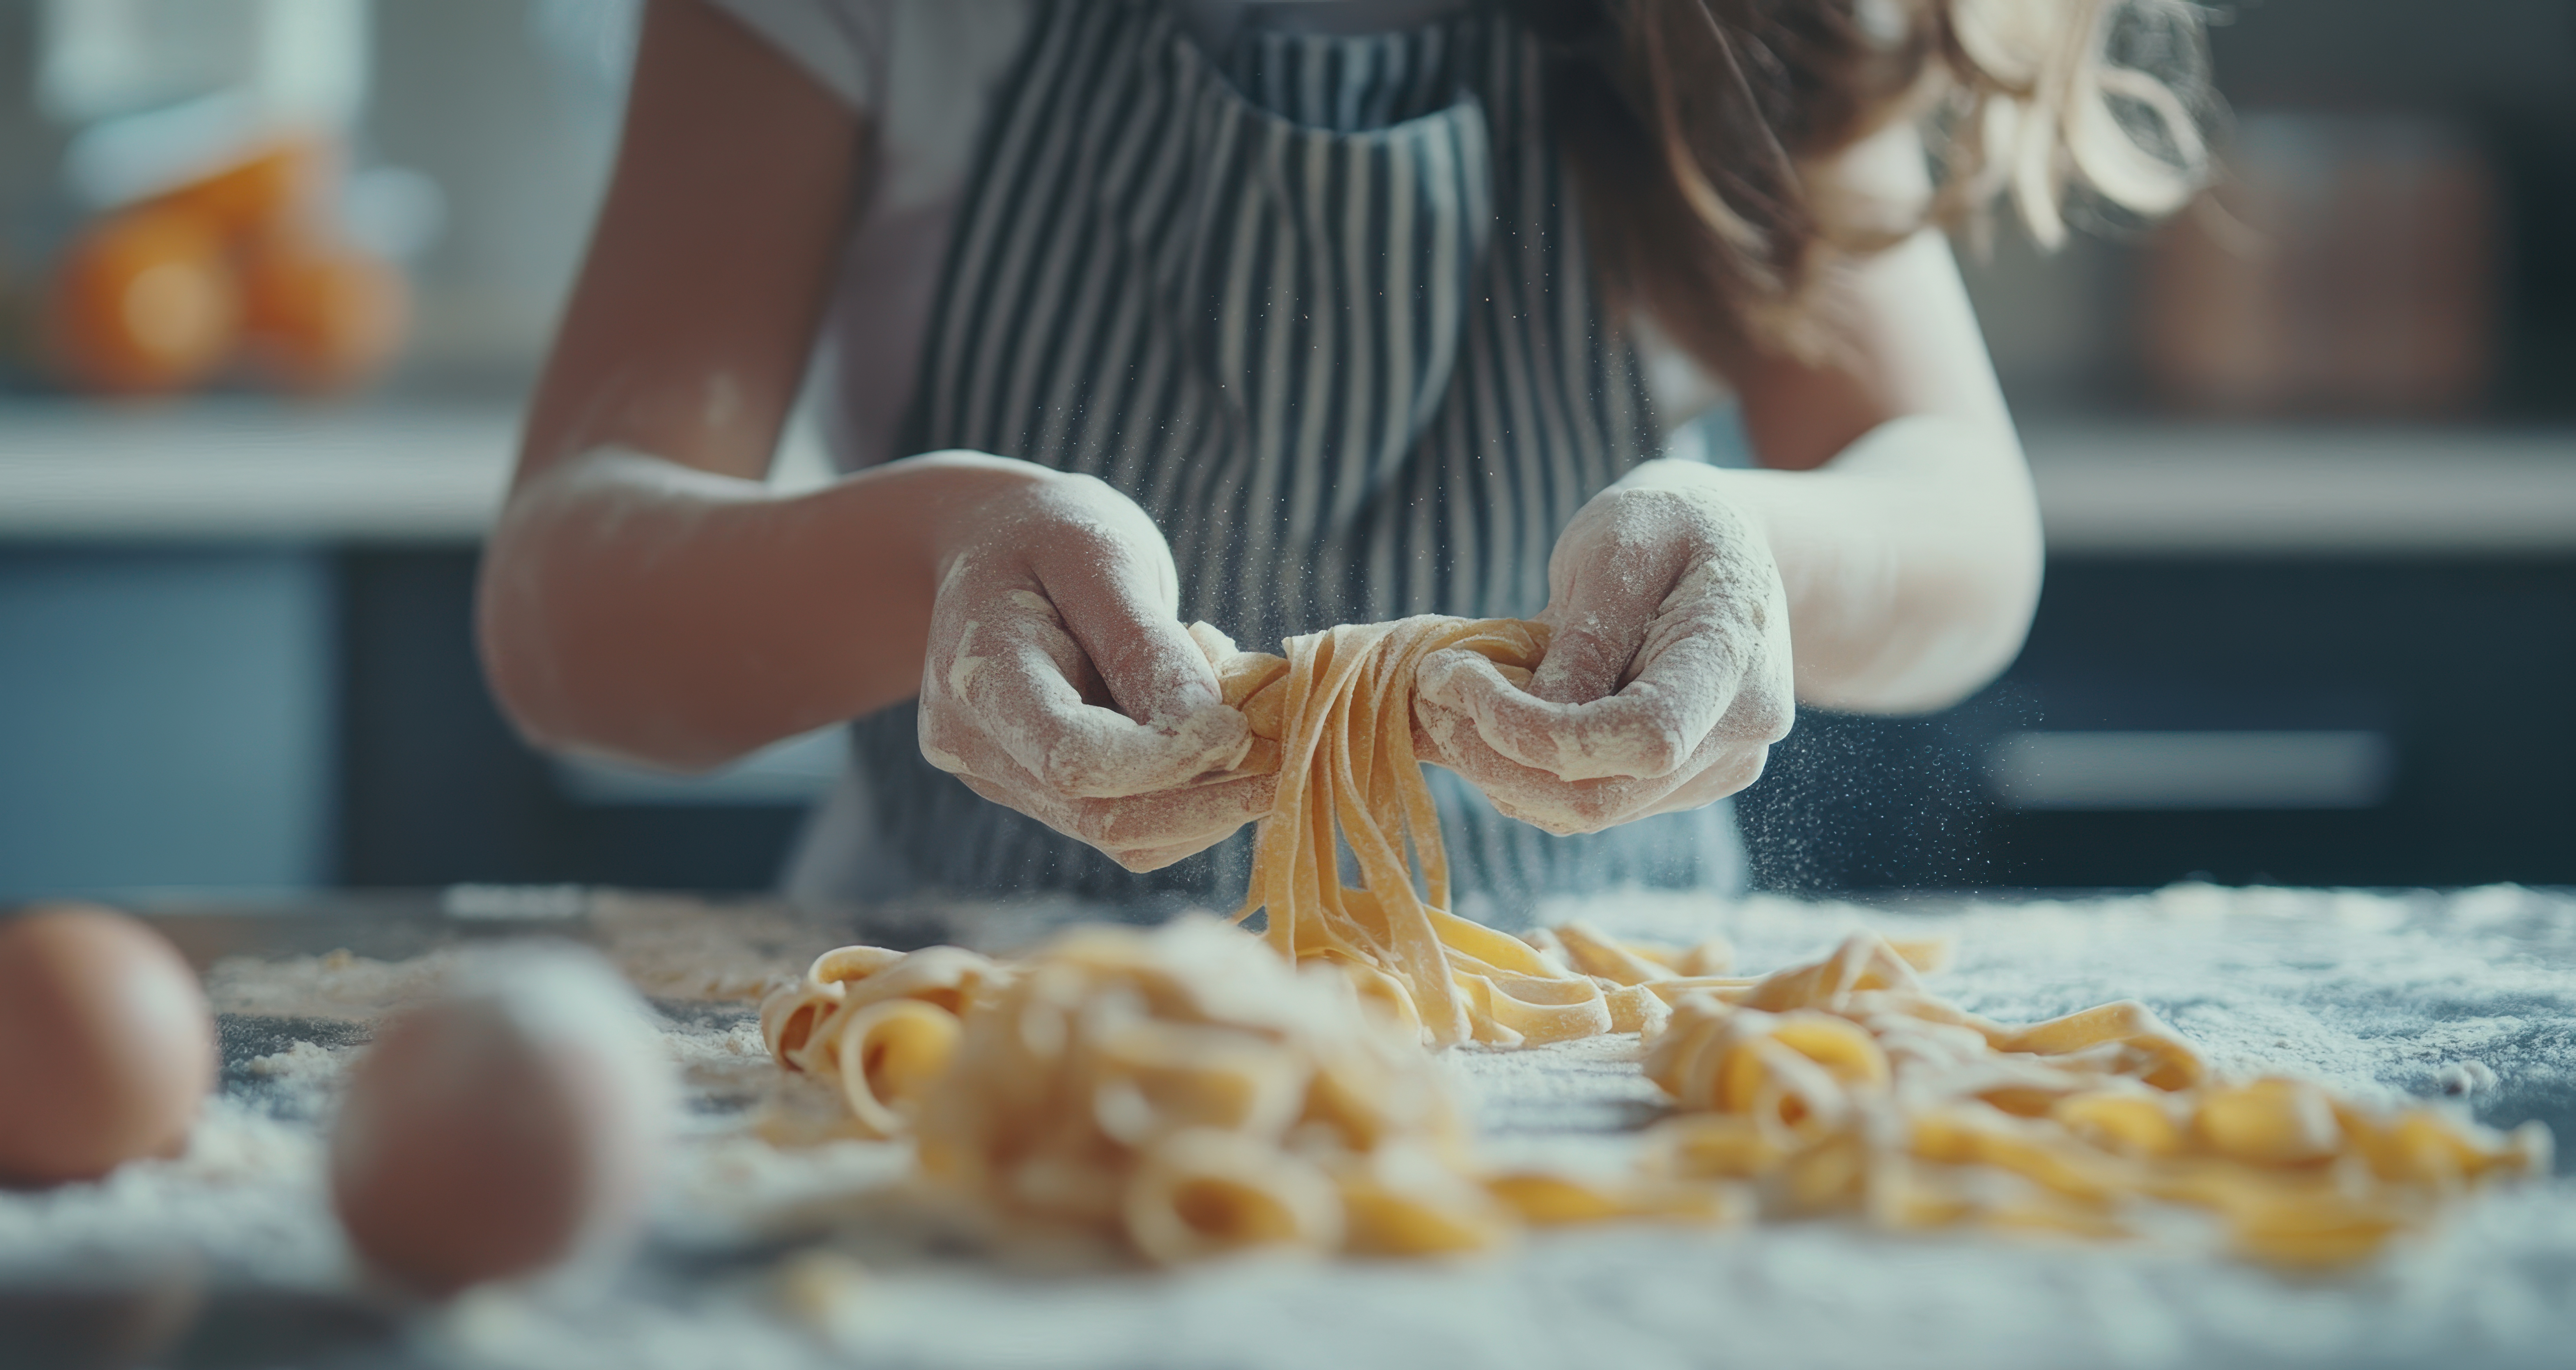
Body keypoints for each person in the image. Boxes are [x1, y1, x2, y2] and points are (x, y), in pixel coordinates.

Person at [477, 0, 2210, 916]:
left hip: (1604, 1063)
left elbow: (1961, 516)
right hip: (964, 1027)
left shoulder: (1755, 13)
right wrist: (934, 562)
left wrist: (1762, 559)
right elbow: (564, 601)